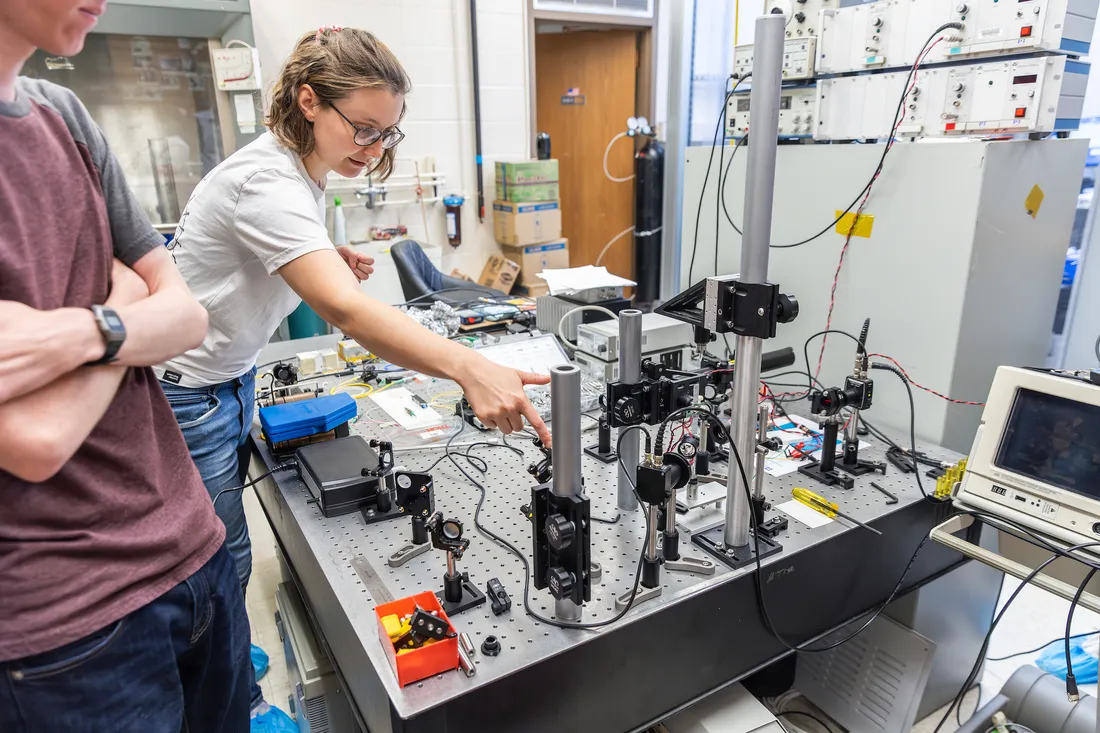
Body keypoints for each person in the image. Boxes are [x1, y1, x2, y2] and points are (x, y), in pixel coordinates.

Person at [158, 25, 553, 729]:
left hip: (227, 379)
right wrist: (469, 367)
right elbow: (343, 309)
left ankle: (227, 658)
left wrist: (320, 248)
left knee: (230, 555)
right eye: (364, 130)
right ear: (308, 100)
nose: (374, 150)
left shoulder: (297, 170)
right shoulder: (267, 179)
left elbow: (261, 247)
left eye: (387, 135)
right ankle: (231, 704)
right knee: (210, 566)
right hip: (188, 395)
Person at [0, 1, 252, 731]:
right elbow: (37, 442)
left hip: (191, 551)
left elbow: (186, 315)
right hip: (69, 625)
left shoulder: (63, 115)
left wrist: (76, 334)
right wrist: (128, 308)